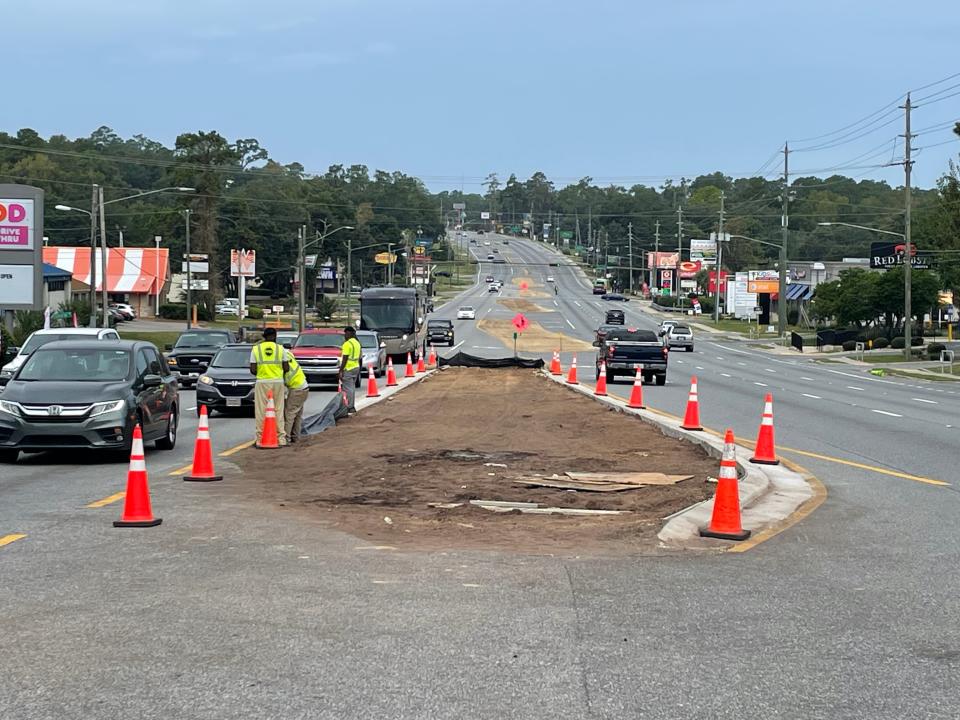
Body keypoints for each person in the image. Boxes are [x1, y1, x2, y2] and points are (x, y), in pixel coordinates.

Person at [249, 327, 289, 446]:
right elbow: (286, 368)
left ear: (264, 336)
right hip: (277, 382)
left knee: (261, 411)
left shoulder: (256, 349)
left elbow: (252, 369)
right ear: (275, 336)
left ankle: (260, 439)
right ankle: (281, 439)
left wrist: (262, 373)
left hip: (262, 382)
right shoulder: (280, 349)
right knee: (278, 410)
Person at [283, 351, 309, 443]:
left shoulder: (282, 360)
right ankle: (296, 437)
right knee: (297, 414)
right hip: (303, 387)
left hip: (297, 388)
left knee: (289, 413)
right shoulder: (288, 354)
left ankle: (286, 438)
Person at [338, 325, 363, 414]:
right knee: (351, 387)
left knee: (348, 388)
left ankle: (350, 407)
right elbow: (360, 356)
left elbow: (345, 358)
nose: (344, 335)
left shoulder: (347, 344)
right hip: (356, 367)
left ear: (349, 333)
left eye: (345, 333)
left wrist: (341, 370)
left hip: (348, 368)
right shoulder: (357, 343)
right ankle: (350, 405)